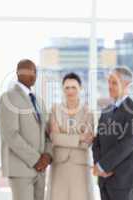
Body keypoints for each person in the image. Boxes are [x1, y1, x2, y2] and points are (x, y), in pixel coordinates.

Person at [0, 59, 52, 200]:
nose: (32, 74)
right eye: (27, 71)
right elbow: (11, 135)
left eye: (34, 71)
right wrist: (36, 160)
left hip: (40, 170)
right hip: (21, 169)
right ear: (17, 73)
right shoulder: (8, 98)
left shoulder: (39, 101)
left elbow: (47, 133)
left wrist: (47, 155)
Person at [92, 68, 133, 200]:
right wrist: (98, 166)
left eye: (114, 83)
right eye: (109, 82)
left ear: (126, 85)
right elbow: (97, 141)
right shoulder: (106, 111)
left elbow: (126, 145)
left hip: (122, 180)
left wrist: (103, 166)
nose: (109, 86)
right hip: (104, 180)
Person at [48, 72, 95, 200]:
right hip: (59, 165)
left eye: (74, 87)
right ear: (62, 90)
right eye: (67, 88)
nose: (70, 91)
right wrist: (79, 137)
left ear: (80, 89)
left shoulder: (88, 112)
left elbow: (87, 142)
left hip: (80, 165)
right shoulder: (54, 110)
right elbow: (54, 138)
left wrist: (62, 136)